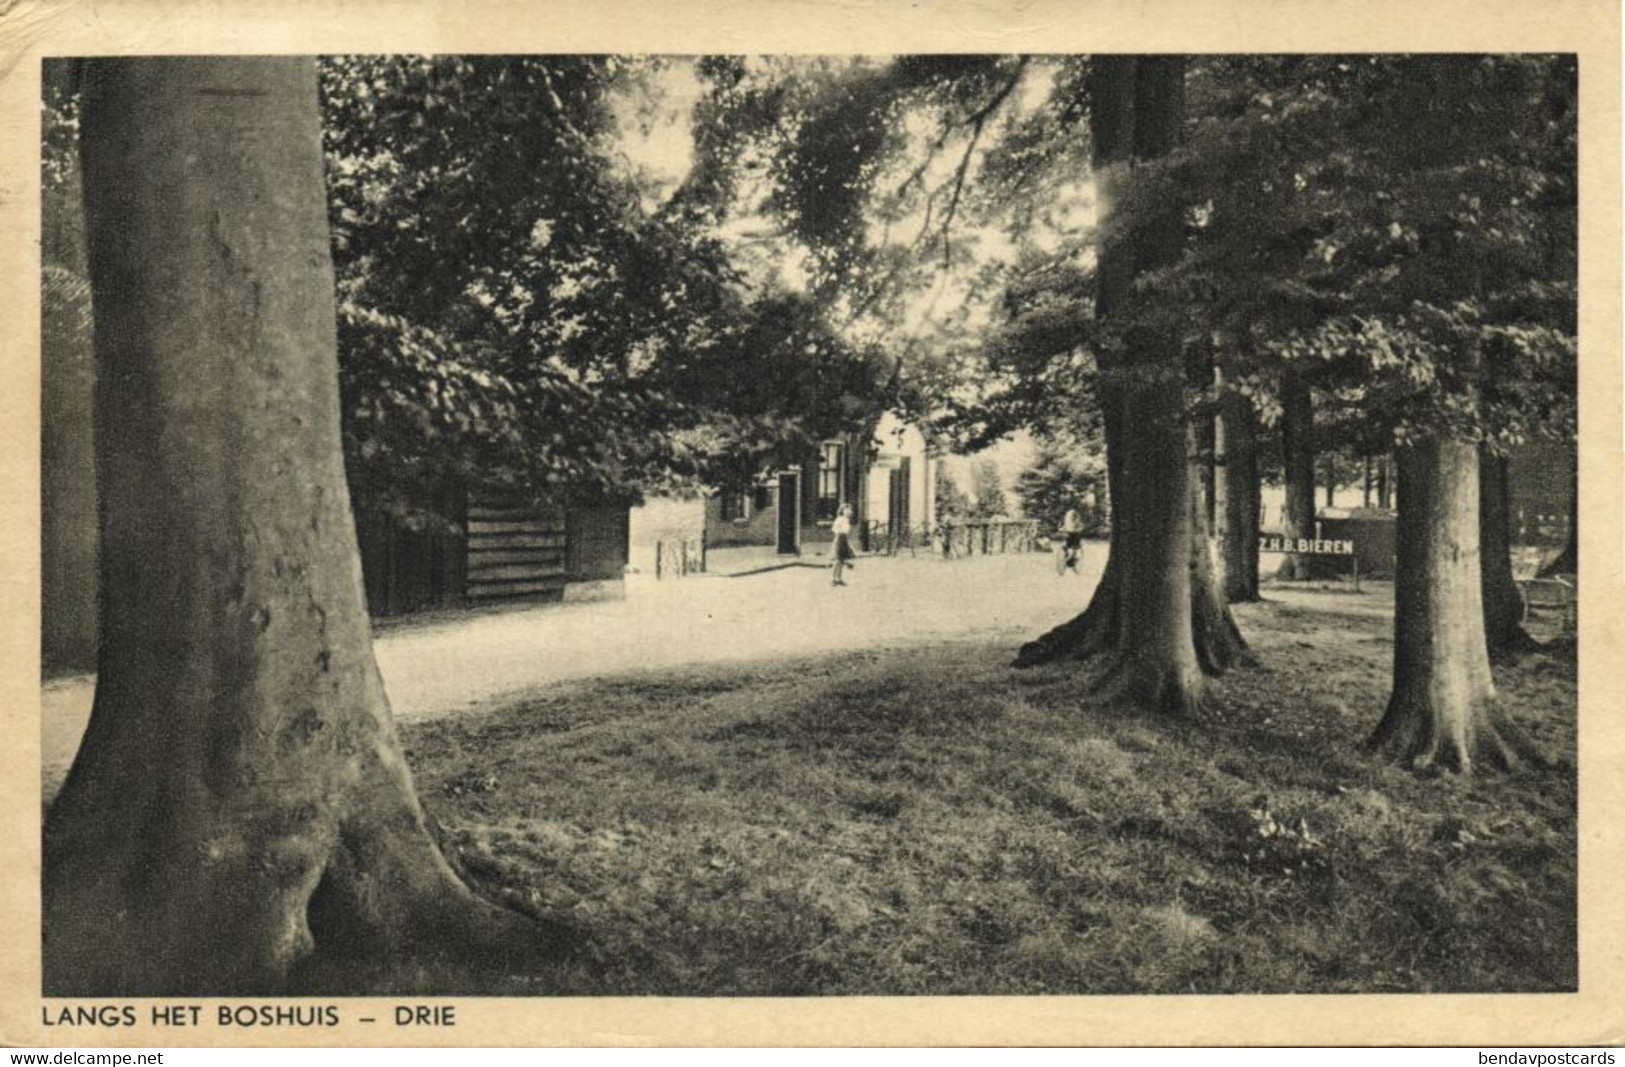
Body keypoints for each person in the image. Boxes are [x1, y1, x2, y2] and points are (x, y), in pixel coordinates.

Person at [831, 503, 856, 586]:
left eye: (849, 510)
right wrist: (839, 535)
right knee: (837, 560)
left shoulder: (847, 520)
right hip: (839, 539)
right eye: (846, 510)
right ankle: (833, 579)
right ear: (842, 511)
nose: (848, 511)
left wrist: (848, 543)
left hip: (844, 538)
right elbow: (834, 529)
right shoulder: (840, 519)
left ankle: (839, 578)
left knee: (841, 560)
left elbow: (847, 532)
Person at [1060, 507, 1085, 574]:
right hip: (1073, 534)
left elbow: (1066, 525)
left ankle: (1069, 561)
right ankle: (1069, 561)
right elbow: (1078, 524)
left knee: (1069, 547)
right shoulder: (1074, 514)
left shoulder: (1069, 514)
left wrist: (1063, 528)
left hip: (1070, 533)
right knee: (1074, 548)